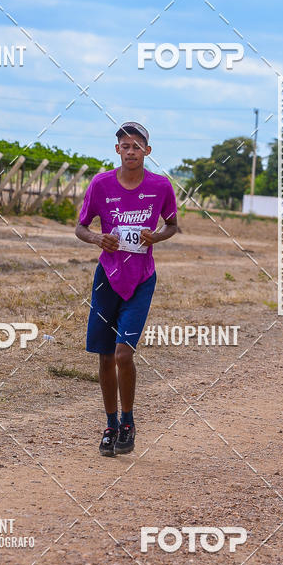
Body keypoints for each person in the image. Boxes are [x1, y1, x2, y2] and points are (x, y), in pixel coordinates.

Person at [75, 122, 178, 455]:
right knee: (105, 356)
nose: (131, 151)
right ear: (117, 149)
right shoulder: (101, 184)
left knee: (123, 353)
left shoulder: (160, 186)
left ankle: (129, 422)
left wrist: (157, 236)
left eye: (137, 146)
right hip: (107, 277)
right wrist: (96, 238)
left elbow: (172, 224)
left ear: (147, 151)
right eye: (125, 146)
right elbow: (81, 226)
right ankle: (110, 425)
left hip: (141, 278)